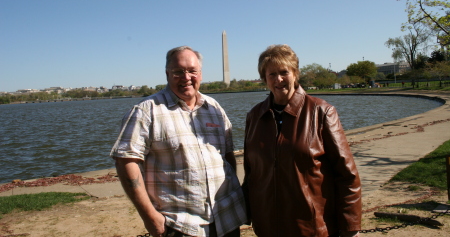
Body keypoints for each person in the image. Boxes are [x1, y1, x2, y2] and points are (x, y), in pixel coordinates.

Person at [111, 46, 247, 237]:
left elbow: (227, 155)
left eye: (192, 71)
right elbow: (125, 161)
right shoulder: (146, 111)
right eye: (178, 72)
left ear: (200, 74)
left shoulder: (214, 108)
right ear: (167, 74)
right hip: (181, 224)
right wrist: (150, 216)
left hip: (227, 218)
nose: (186, 77)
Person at [243, 44, 362, 237]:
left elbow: (347, 174)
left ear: (295, 73)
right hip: (267, 227)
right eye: (271, 74)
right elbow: (251, 174)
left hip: (312, 228)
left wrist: (351, 226)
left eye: (284, 72)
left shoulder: (321, 112)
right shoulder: (255, 116)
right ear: (264, 78)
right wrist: (246, 214)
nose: (278, 79)